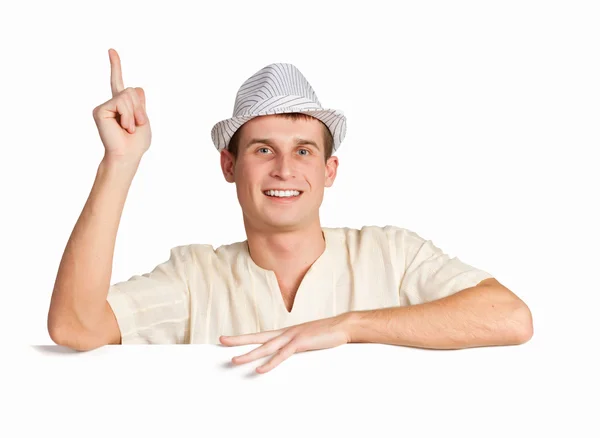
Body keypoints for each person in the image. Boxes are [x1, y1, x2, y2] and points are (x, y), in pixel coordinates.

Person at [47, 48, 533, 373]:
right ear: (229, 165)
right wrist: (120, 161)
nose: (284, 169)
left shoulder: (391, 254)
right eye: (263, 150)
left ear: (329, 170)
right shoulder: (196, 277)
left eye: (303, 150)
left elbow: (510, 317)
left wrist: (349, 327)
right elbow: (75, 326)